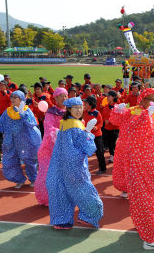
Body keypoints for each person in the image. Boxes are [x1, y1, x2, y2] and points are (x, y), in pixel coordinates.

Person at [109, 88, 154, 250]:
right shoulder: (135, 113)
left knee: (153, 196)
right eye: (151, 99)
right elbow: (124, 125)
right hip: (140, 163)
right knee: (145, 199)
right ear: (142, 99)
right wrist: (121, 109)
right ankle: (151, 240)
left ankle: (149, 228)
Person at [46, 97, 103, 229]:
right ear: (69, 109)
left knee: (60, 191)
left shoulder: (64, 123)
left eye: (80, 107)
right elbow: (88, 148)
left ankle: (62, 220)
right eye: (75, 108)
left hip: (59, 164)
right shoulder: (75, 126)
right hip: (73, 166)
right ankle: (90, 216)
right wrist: (87, 134)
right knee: (83, 191)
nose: (79, 110)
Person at [0, 90, 42, 188]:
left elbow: (32, 124)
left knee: (30, 161)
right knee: (10, 161)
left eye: (15, 97)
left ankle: (33, 178)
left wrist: (23, 115)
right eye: (12, 97)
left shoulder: (27, 110)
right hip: (10, 141)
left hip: (26, 141)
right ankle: (19, 179)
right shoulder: (7, 112)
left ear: (21, 99)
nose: (13, 99)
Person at [35, 88, 68, 206]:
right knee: (47, 173)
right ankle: (46, 198)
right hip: (50, 148)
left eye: (65, 96)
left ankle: (63, 197)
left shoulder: (71, 111)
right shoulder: (51, 112)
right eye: (61, 96)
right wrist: (58, 132)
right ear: (55, 98)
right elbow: (48, 127)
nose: (64, 98)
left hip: (66, 147)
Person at [83, 96, 106, 174]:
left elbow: (101, 123)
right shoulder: (84, 112)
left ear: (90, 104)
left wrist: (96, 127)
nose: (84, 104)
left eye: (86, 103)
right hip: (87, 136)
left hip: (96, 136)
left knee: (99, 152)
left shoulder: (96, 113)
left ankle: (102, 168)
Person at [101, 91, 119, 163]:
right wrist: (105, 120)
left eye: (109, 96)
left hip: (115, 128)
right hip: (107, 127)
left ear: (114, 97)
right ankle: (112, 154)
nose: (107, 97)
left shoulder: (117, 106)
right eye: (107, 96)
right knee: (109, 142)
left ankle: (114, 155)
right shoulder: (106, 106)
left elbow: (119, 118)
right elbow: (104, 116)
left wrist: (110, 121)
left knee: (114, 141)